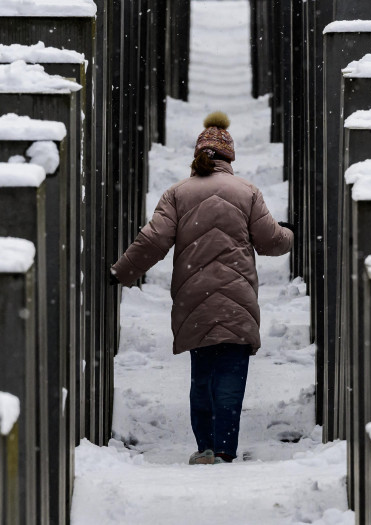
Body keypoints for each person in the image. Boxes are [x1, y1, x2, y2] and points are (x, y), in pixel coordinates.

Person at [110, 111, 296, 465]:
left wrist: (122, 272)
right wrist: (291, 234)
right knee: (230, 377)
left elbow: (152, 241)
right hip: (237, 299)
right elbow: (271, 241)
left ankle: (206, 446)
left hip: (194, 299)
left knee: (202, 376)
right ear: (229, 157)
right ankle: (225, 447)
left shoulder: (177, 194)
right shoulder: (247, 192)